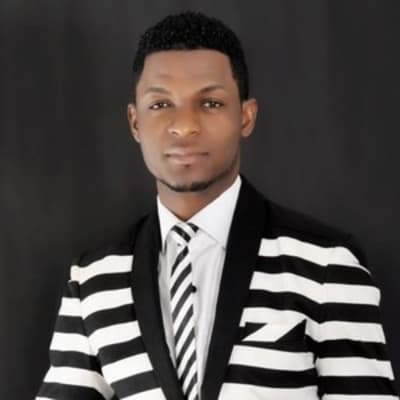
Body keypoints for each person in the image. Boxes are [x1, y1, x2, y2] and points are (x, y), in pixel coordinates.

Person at [36, 10, 398, 400]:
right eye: (160, 104)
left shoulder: (327, 266)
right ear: (134, 121)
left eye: (210, 103)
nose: (184, 125)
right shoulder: (93, 281)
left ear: (246, 116)